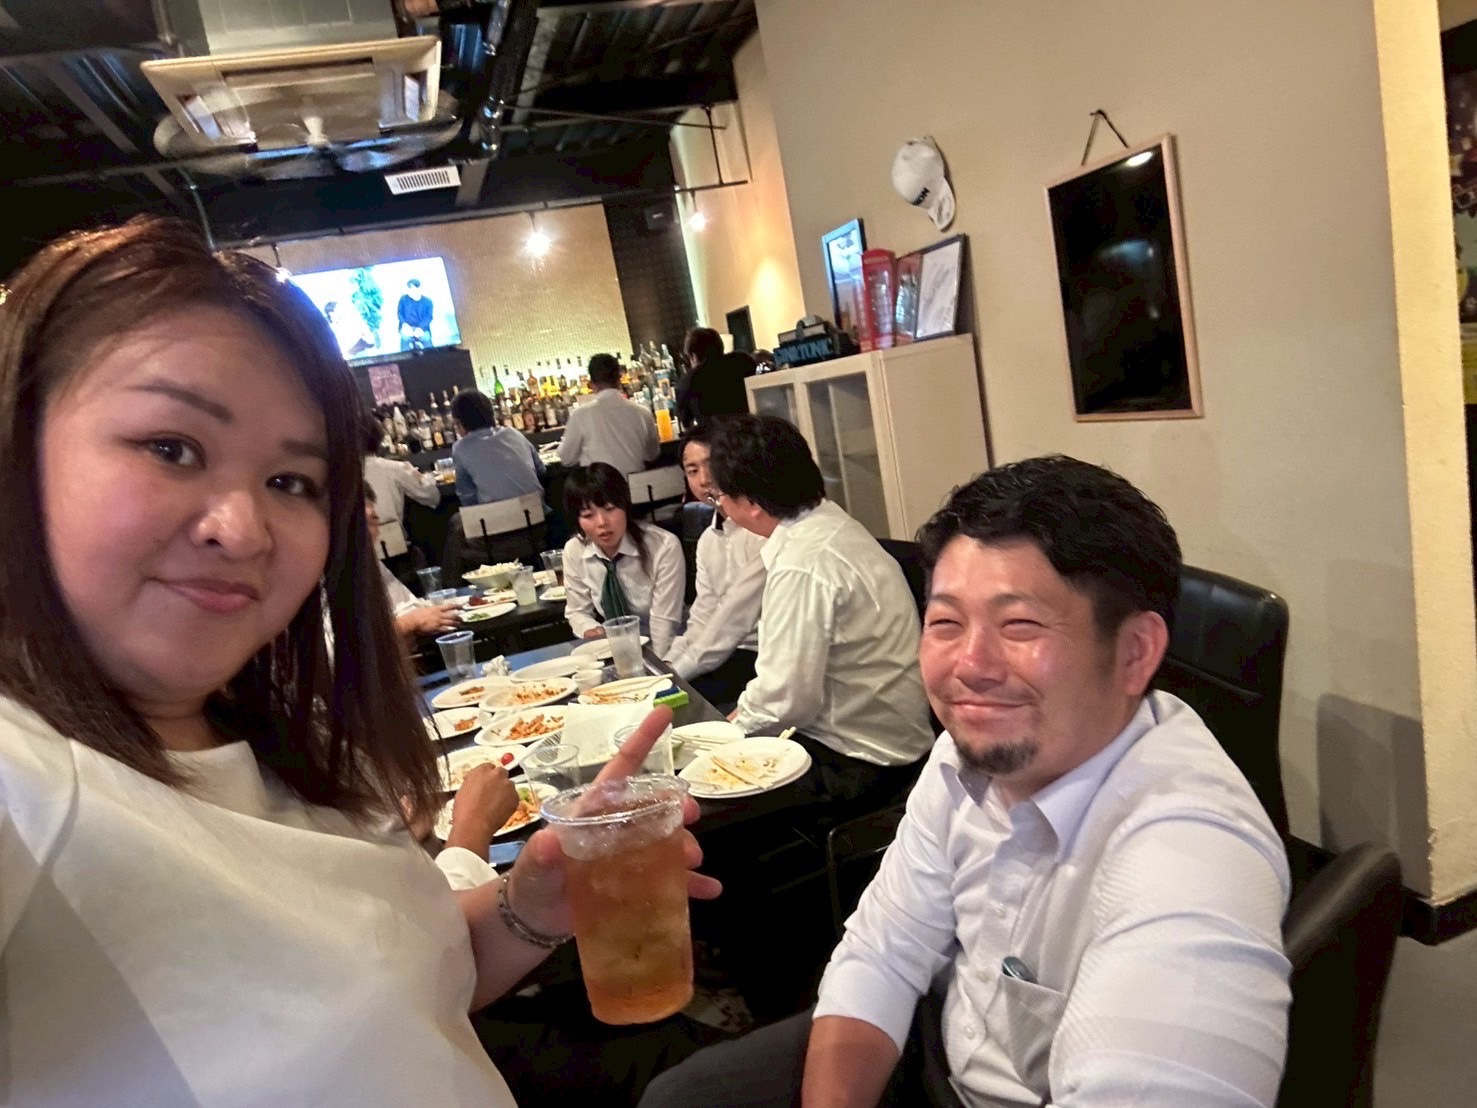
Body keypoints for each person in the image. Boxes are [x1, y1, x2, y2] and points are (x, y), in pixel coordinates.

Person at [0, 215, 719, 1106]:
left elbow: (413, 987)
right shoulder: (25, 780)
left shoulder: (287, 739)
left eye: (291, 482)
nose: (242, 528)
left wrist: (529, 905)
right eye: (170, 448)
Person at [641, 455, 1292, 1108]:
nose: (970, 666)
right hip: (937, 1042)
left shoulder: (1191, 861)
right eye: (946, 623)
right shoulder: (966, 752)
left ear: (1133, 652)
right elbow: (884, 949)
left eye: (1020, 625)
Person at [711, 414, 933, 805]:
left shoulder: (803, 564)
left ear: (752, 503)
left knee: (710, 798)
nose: (721, 507)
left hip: (859, 760)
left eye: (720, 497)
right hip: (897, 736)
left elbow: (785, 701)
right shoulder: (833, 524)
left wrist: (725, 732)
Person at [663, 421, 766, 708]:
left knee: (680, 704)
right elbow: (702, 617)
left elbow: (733, 620)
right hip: (725, 654)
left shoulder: (762, 529)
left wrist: (673, 676)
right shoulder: (708, 539)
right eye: (692, 470)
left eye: (711, 465)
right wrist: (665, 666)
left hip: (764, 655)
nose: (704, 479)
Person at [561, 462, 685, 658]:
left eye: (610, 509)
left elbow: (664, 623)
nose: (602, 523)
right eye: (588, 515)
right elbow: (577, 612)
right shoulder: (574, 551)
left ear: (625, 505)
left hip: (670, 649)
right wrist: (592, 630)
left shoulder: (663, 546)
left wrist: (658, 666)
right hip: (614, 649)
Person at [365, 484, 461, 640]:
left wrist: (414, 621)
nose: (367, 531)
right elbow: (343, 648)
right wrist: (409, 624)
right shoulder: (328, 576)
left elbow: (406, 605)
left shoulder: (369, 561)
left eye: (373, 520)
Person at [558, 353, 659, 476]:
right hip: (638, 485)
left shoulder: (580, 415)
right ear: (620, 379)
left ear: (591, 384)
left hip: (602, 486)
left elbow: (566, 458)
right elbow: (652, 454)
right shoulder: (643, 413)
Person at [449, 389, 545, 506]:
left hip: (498, 516)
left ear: (458, 423)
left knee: (457, 517)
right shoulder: (513, 433)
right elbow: (541, 469)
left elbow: (466, 495)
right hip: (538, 511)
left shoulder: (460, 448)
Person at [363, 410, 440, 548]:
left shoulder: (337, 479)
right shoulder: (394, 468)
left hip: (359, 555)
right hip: (396, 549)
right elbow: (432, 496)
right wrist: (425, 477)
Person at [676, 327, 756, 430]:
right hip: (750, 432)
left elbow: (686, 423)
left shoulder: (688, 381)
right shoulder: (743, 360)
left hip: (716, 438)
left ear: (693, 356)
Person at [398, 277, 434, 351]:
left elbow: (429, 317)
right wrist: (404, 325)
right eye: (409, 289)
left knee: (426, 338)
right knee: (405, 337)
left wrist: (421, 328)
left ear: (419, 289)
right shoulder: (403, 299)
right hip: (407, 327)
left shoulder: (428, 302)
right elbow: (400, 313)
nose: (410, 291)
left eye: (412, 289)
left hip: (422, 328)